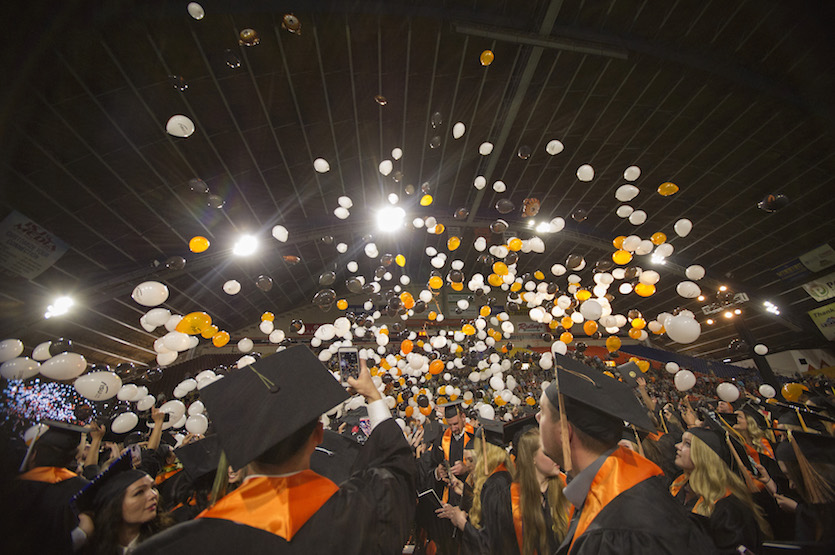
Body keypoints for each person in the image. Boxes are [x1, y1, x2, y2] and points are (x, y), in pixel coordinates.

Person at [134, 345, 416, 554]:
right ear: (319, 434)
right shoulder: (360, 511)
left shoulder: (176, 546)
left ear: (236, 449)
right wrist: (372, 394)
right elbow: (396, 465)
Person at [537, 353, 715, 554]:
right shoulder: (631, 489)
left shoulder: (618, 532)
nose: (536, 417)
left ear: (565, 432)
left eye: (542, 412)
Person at [670, 428, 769, 553]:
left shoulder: (729, 509)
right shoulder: (678, 484)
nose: (677, 446)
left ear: (705, 456)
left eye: (687, 444)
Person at [7, 421, 92, 553]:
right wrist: (82, 533)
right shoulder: (84, 491)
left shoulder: (12, 489)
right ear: (73, 457)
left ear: (33, 454)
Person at [435, 417, 518, 554]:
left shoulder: (496, 485)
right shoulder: (501, 477)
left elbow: (491, 544)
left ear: (486, 453)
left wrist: (463, 523)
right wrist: (464, 493)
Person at [74, 453, 171, 554]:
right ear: (115, 504)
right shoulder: (92, 549)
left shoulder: (169, 541)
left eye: (153, 487)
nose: (153, 495)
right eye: (139, 492)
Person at [514, 426, 569, 555]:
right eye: (548, 452)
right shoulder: (512, 498)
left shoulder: (568, 488)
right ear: (532, 458)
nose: (556, 456)